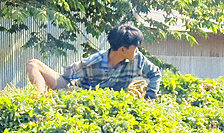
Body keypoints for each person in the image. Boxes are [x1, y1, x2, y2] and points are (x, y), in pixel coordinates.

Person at [26, 24, 162, 100]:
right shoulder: (92, 63)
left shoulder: (138, 59)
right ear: (122, 49)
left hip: (111, 104)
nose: (137, 50)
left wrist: (150, 96)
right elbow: (65, 78)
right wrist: (72, 91)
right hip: (84, 97)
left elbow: (155, 73)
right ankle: (38, 100)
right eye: (135, 47)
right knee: (33, 64)